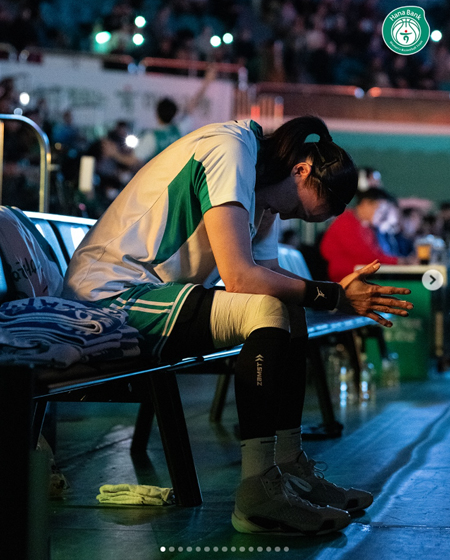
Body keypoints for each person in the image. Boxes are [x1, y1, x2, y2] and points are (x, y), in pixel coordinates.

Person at [63, 116, 412, 536]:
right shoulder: (231, 151)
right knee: (265, 310)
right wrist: (335, 295)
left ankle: (289, 466)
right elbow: (241, 278)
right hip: (108, 297)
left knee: (288, 309)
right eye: (297, 209)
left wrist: (329, 294)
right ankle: (256, 494)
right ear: (300, 170)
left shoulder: (263, 188)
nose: (286, 216)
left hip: (158, 296)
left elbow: (270, 276)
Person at [134, 66, 216, 163]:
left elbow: (133, 160)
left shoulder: (152, 138)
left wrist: (117, 154)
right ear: (174, 114)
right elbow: (193, 105)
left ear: (157, 114)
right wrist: (207, 82)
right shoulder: (180, 130)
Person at [320, 187, 404, 282]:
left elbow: (377, 253)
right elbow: (366, 257)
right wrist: (399, 261)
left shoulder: (366, 226)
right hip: (345, 280)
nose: (382, 216)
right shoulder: (346, 222)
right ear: (365, 204)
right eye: (380, 210)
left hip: (362, 277)